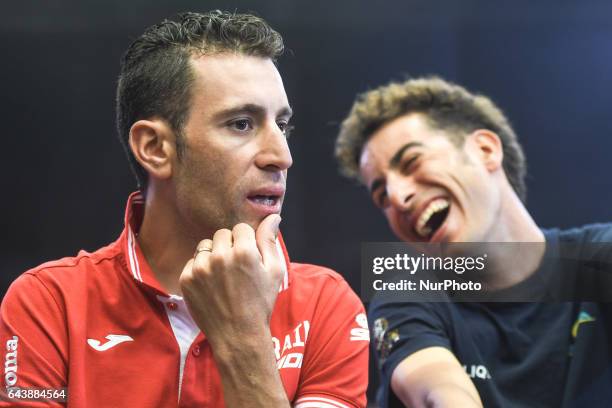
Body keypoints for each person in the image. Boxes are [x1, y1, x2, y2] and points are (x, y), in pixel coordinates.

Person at [0, 11, 369, 407]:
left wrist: (243, 338)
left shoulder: (327, 305)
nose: (281, 155)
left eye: (283, 125)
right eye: (242, 124)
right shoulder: (47, 303)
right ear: (155, 148)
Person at [335, 76, 612, 407]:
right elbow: (442, 392)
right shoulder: (405, 296)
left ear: (485, 150)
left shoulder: (600, 257)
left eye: (412, 162)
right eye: (381, 195)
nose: (398, 197)